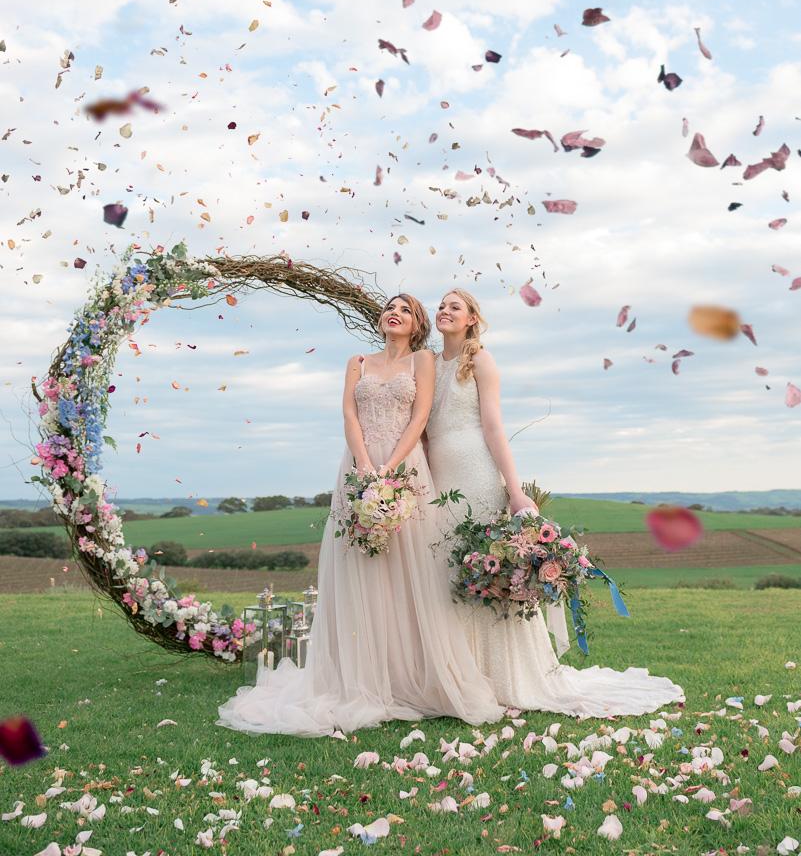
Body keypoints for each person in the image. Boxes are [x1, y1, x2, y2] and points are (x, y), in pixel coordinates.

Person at [217, 293, 504, 737]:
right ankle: (358, 677)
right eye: (391, 307)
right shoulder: (357, 361)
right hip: (356, 467)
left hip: (406, 469)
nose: (396, 313)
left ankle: (407, 674)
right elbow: (349, 413)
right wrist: (365, 464)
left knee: (409, 571)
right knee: (359, 566)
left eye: (407, 310)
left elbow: (421, 416)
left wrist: (390, 468)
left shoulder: (423, 362)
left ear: (417, 324)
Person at [425, 288, 685, 718]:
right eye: (440, 305)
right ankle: (457, 678)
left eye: (455, 306)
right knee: (449, 572)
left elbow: (493, 428)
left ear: (472, 318)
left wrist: (514, 489)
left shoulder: (482, 362)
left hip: (476, 473)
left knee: (486, 569)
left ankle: (504, 679)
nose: (444, 311)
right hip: (441, 480)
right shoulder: (430, 365)